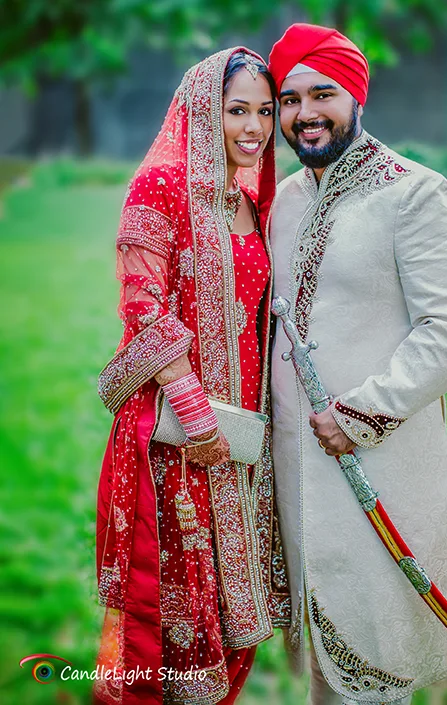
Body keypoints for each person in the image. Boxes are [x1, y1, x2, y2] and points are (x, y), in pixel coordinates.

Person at [268, 23, 447, 705]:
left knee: (376, 670)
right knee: (324, 675)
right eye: (290, 98)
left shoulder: (414, 193)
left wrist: (361, 413)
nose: (305, 114)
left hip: (378, 467)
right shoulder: (287, 198)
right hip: (298, 475)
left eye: (321, 93)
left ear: (355, 94)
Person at [93, 48, 290, 705]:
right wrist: (197, 416)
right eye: (239, 110)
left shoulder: (245, 196)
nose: (256, 127)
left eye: (265, 111)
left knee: (231, 616)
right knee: (174, 616)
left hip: (235, 439)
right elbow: (143, 306)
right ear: (204, 109)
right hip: (176, 438)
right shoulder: (161, 184)